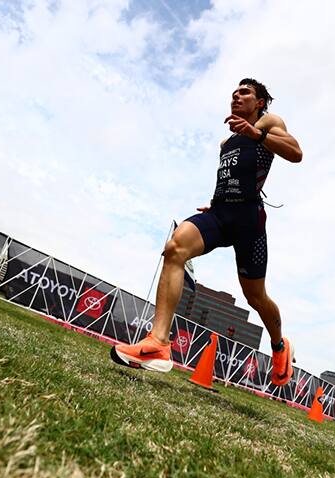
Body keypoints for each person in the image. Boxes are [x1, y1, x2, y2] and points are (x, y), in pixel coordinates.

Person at [110, 78, 302, 386]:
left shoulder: (270, 122)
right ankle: (158, 344)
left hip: (249, 221)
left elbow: (295, 153)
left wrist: (258, 133)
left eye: (245, 93)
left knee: (255, 296)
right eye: (233, 93)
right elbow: (233, 173)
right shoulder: (226, 143)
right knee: (176, 247)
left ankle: (279, 346)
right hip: (220, 214)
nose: (236, 97)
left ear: (260, 102)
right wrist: (215, 201)